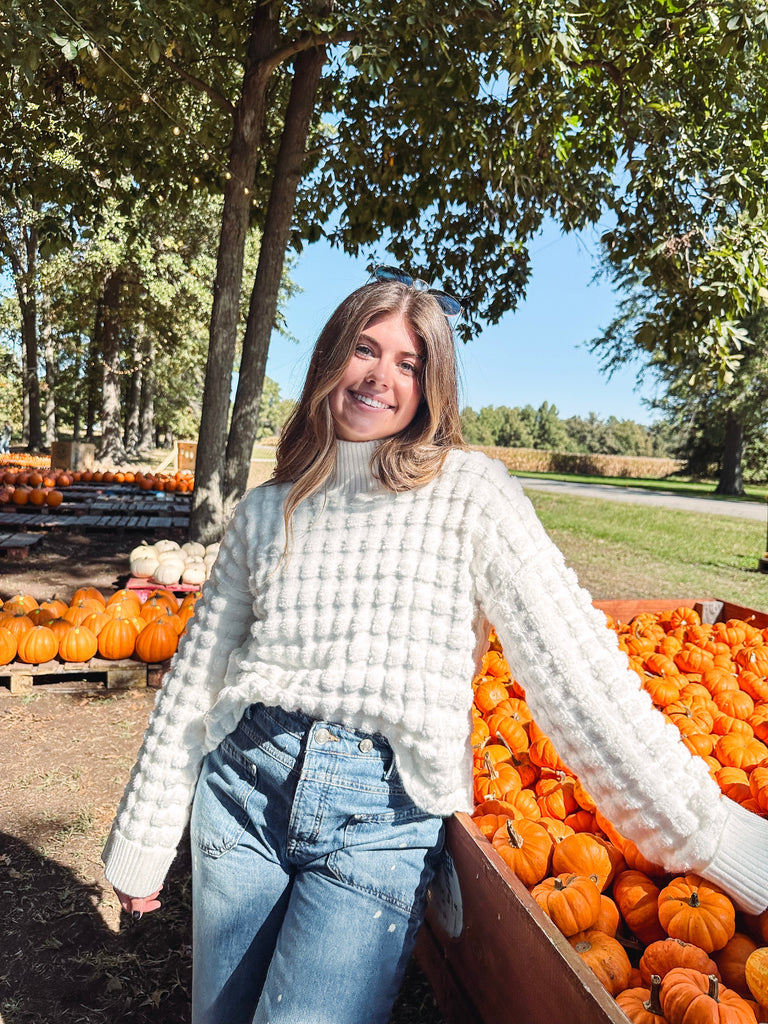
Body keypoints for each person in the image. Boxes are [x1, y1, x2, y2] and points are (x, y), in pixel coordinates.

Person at [102, 266, 768, 1024]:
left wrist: (708, 836)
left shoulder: (471, 494)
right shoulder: (266, 511)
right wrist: (143, 839)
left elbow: (577, 674)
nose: (379, 375)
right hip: (244, 791)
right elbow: (195, 681)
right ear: (329, 360)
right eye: (363, 348)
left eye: (408, 362)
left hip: (380, 819)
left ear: (430, 386)